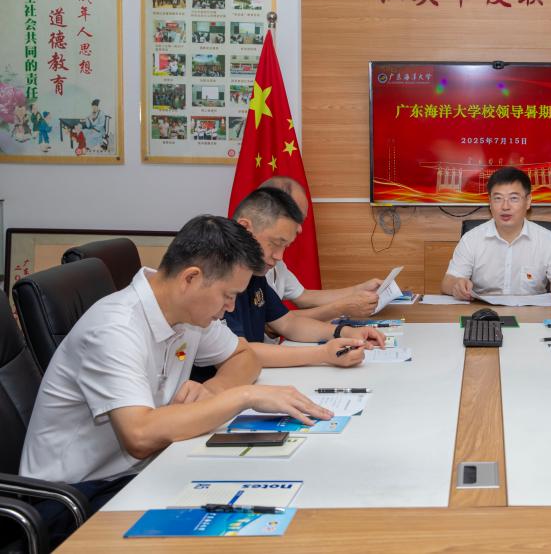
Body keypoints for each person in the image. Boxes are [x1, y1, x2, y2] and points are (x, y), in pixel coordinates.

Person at [20, 215, 334, 542]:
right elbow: (139, 436)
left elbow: (245, 356)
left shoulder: (186, 314)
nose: (230, 307)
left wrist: (214, 389)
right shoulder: (115, 328)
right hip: (73, 500)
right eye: (228, 295)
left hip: (146, 469)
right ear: (191, 278)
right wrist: (242, 396)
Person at [225, 187, 385, 367]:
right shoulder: (219, 273)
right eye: (275, 243)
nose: (279, 256)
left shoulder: (254, 271)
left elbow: (289, 324)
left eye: (285, 246)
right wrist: (323, 354)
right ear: (245, 228)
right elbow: (240, 350)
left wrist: (345, 332)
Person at [258, 175, 385, 319]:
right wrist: (341, 308)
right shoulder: (252, 262)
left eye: (301, 220)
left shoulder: (277, 258)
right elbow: (273, 323)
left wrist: (360, 289)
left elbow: (303, 297)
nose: (300, 229)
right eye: (295, 218)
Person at [442, 166, 551, 301]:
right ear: (490, 202)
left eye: (514, 198)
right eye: (498, 198)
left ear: (528, 201)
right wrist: (456, 285)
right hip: (484, 311)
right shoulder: (471, 239)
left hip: (533, 311)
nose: (505, 207)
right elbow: (447, 282)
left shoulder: (549, 241)